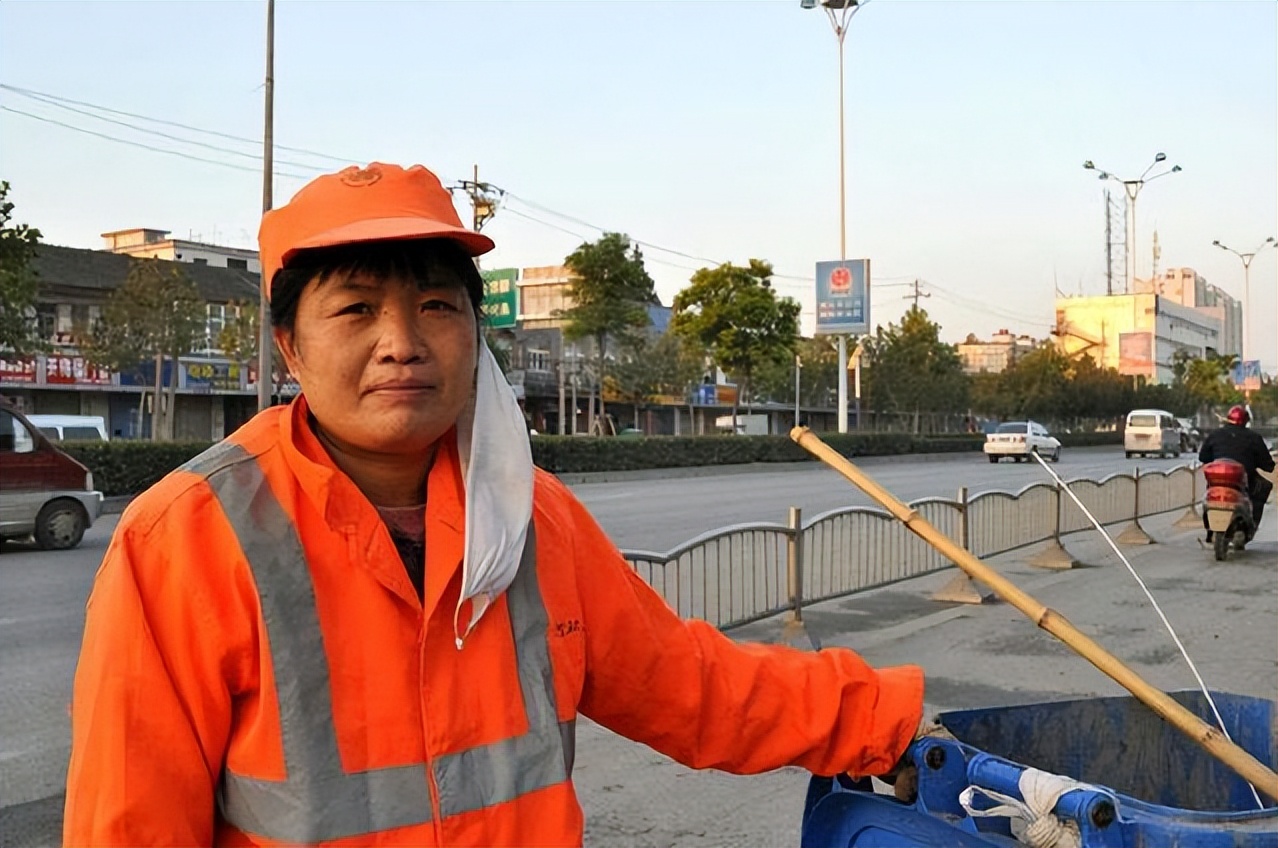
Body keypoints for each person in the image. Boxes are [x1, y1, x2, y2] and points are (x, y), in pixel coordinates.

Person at [63, 163, 926, 846]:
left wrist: (881, 723)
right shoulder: (185, 540)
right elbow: (128, 823)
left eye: (436, 307)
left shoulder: (531, 518)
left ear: (474, 335)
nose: (402, 344)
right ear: (291, 347)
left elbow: (687, 684)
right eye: (356, 309)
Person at [1199, 405, 1276, 538]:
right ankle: (1253, 524)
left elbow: (1203, 457)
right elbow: (1268, 465)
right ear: (1245, 421)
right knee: (1264, 487)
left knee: (1209, 492)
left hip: (1218, 481)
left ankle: (1210, 529)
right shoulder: (1253, 437)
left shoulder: (1215, 434)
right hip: (1244, 480)